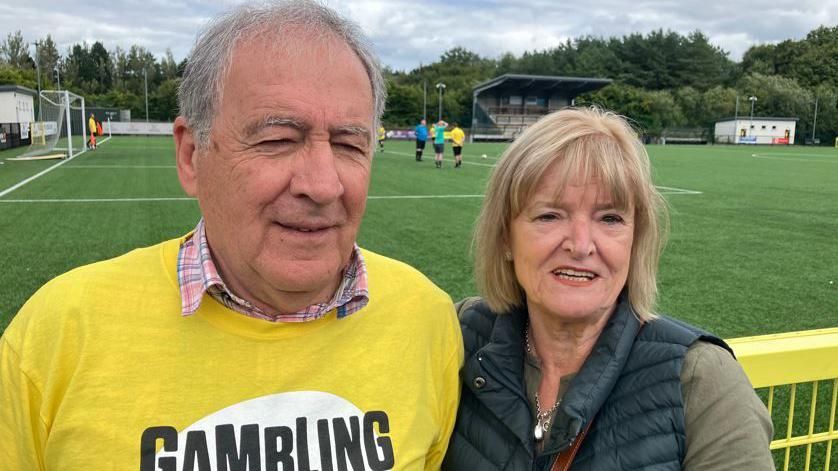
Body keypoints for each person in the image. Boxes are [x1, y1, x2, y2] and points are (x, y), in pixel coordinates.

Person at [0, 2, 463, 469]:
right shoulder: (57, 336)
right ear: (191, 155)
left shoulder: (427, 321)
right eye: (277, 139)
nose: (323, 185)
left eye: (348, 144)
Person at [443, 107, 774, 470]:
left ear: (636, 239)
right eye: (550, 215)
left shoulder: (701, 380)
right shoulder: (456, 337)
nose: (581, 245)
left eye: (610, 218)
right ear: (505, 236)